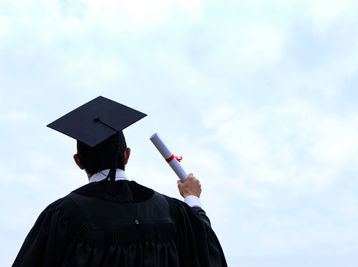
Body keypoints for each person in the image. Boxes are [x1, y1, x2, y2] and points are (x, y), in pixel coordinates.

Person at [13, 96, 227, 267]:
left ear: (78, 161)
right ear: (126, 155)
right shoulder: (172, 211)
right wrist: (192, 199)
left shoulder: (62, 216)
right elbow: (207, 252)